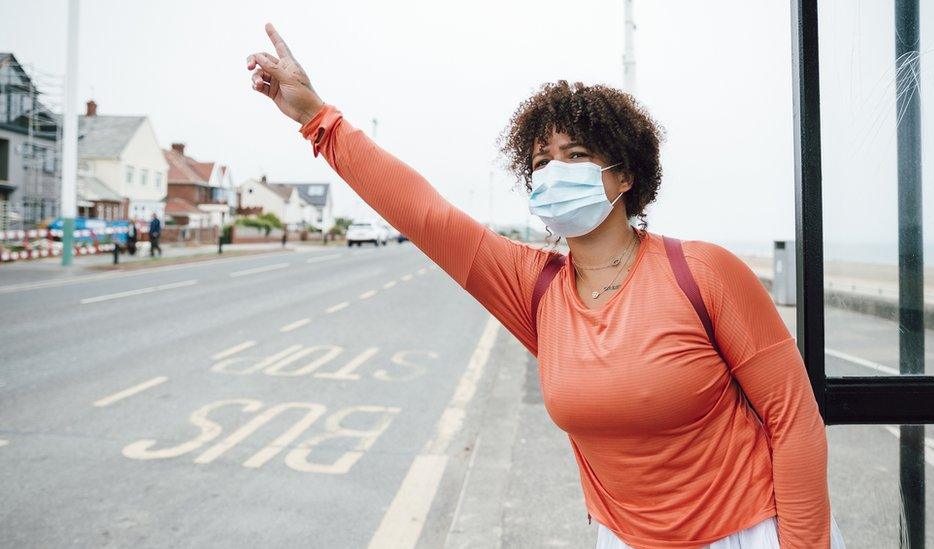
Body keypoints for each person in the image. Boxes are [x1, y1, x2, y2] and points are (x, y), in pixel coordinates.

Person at [247, 23, 846, 549]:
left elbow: (793, 420)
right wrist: (315, 117)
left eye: (576, 154)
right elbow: (425, 216)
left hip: (752, 533)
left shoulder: (706, 273)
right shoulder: (535, 290)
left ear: (627, 174)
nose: (553, 173)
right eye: (539, 163)